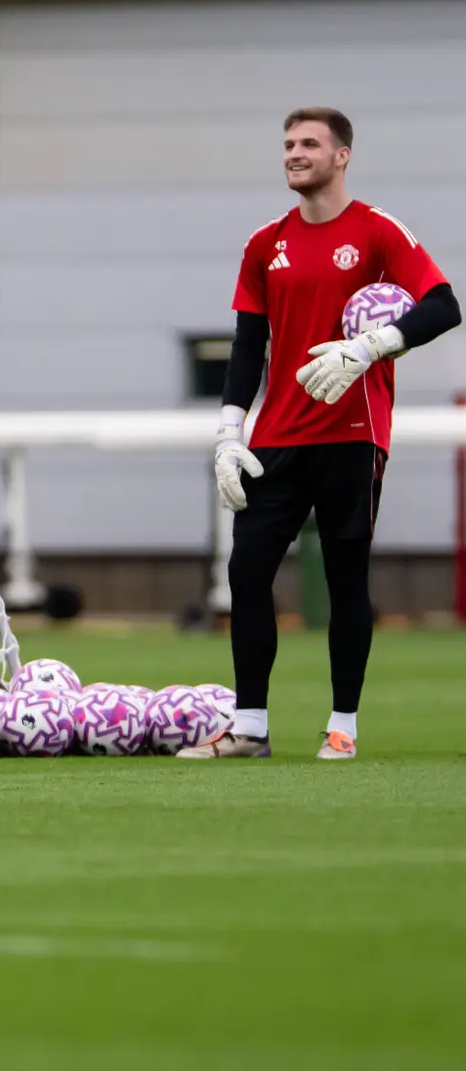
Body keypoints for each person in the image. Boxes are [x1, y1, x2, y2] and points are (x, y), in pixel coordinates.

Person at [185, 107, 456, 761]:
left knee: (344, 580)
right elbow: (248, 346)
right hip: (277, 435)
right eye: (287, 144)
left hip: (353, 433)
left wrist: (371, 347)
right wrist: (229, 433)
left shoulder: (378, 231)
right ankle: (249, 727)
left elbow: (444, 305)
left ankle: (344, 726)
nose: (294, 153)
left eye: (309, 143)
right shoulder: (263, 244)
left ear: (342, 156)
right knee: (247, 571)